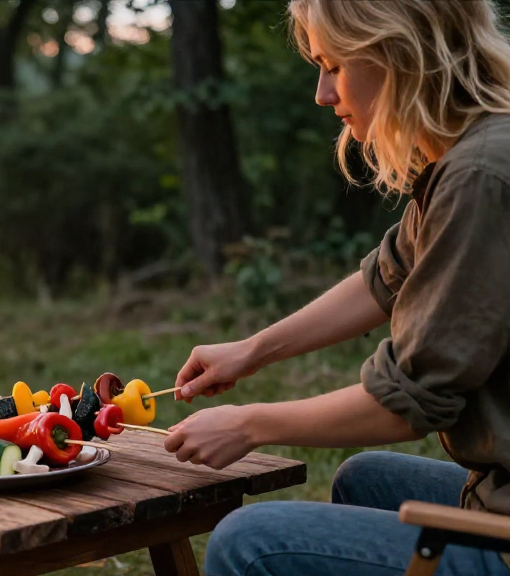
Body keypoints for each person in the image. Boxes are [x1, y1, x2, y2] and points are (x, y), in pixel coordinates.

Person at [163, 1, 510, 574]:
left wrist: (250, 424)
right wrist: (250, 352)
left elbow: (411, 400)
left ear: (399, 51)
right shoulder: (476, 147)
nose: (323, 93)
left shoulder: (479, 176)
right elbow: (385, 279)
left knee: (250, 542)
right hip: (495, 492)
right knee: (363, 477)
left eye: (334, 64)